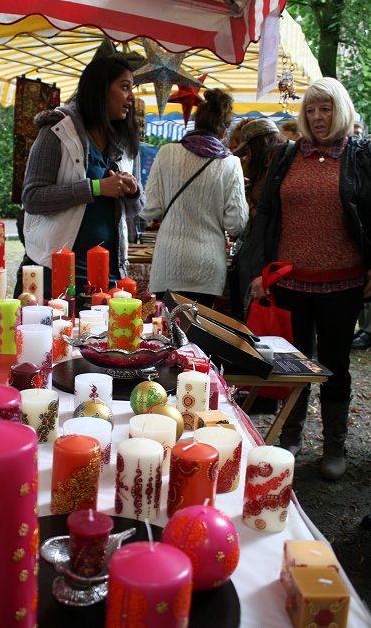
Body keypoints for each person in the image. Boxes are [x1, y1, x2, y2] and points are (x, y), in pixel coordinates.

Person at [245, 77, 371, 481]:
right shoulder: (286, 155)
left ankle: (334, 445)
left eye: (326, 108)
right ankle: (290, 436)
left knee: (335, 365)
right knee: (290, 365)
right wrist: (258, 271)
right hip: (289, 284)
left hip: (343, 283)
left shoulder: (359, 156)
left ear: (341, 111)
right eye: (311, 109)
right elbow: (264, 214)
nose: (317, 117)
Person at [14, 56, 144, 300]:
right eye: (125, 87)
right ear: (101, 89)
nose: (132, 97)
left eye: (132, 88)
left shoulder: (124, 143)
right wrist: (96, 188)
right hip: (55, 272)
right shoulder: (57, 130)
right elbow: (32, 198)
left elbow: (136, 209)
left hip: (109, 277)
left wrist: (133, 191)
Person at [141, 89, 249, 308]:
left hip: (168, 264)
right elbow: (236, 224)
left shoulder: (166, 153)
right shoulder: (231, 164)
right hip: (207, 269)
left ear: (195, 123)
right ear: (224, 131)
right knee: (198, 338)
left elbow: (149, 209)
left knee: (167, 335)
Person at [229, 118, 287, 319]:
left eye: (248, 150)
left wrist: (246, 198)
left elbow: (264, 218)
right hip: (254, 253)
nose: (246, 156)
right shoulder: (263, 169)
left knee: (256, 315)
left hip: (264, 257)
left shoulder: (277, 169)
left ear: (261, 144)